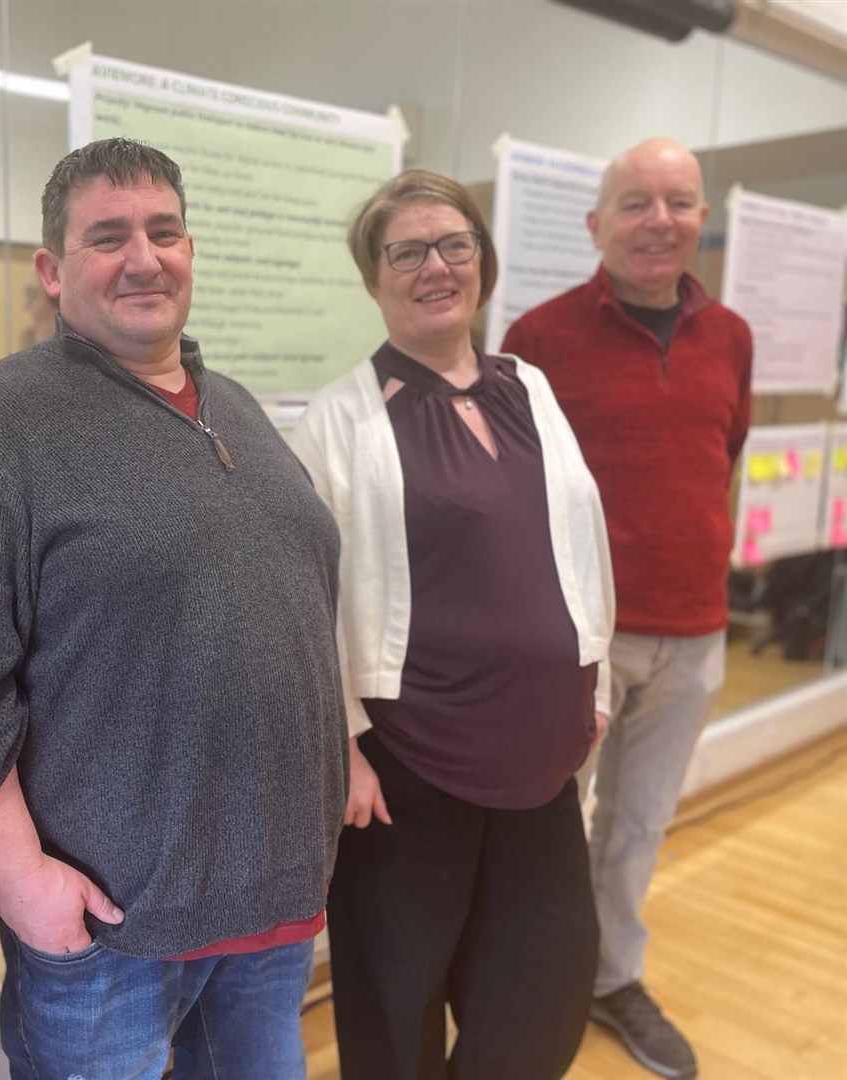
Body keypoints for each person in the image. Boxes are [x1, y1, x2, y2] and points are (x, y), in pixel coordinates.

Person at [0, 138, 347, 1079]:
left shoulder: (237, 409)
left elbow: (300, 610)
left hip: (270, 904)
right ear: (50, 271)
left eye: (165, 231)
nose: (144, 258)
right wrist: (21, 881)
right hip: (115, 927)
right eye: (108, 237)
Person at [292, 169, 615, 1080]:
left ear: (482, 258)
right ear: (375, 277)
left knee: (543, 987)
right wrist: (343, 745)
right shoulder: (341, 418)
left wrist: (595, 678)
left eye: (454, 244)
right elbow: (306, 597)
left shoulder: (533, 389)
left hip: (540, 756)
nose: (435, 266)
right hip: (406, 768)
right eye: (407, 251)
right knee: (395, 998)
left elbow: (582, 541)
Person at [502, 137, 752, 1080]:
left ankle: (612, 977)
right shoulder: (539, 337)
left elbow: (719, 463)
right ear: (594, 224)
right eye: (637, 203)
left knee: (638, 825)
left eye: (680, 202)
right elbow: (514, 490)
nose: (661, 221)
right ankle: (541, 979)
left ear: (701, 217)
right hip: (580, 636)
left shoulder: (731, 335)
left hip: (695, 632)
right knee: (554, 819)